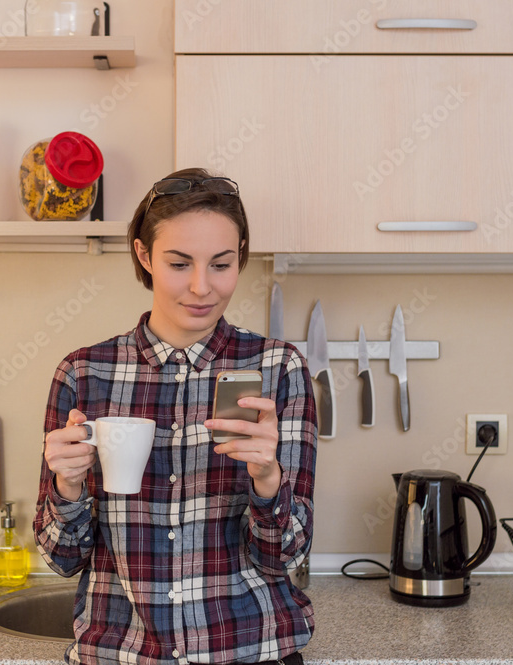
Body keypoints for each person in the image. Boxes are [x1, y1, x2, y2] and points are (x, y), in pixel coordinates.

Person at [34, 167, 317, 665]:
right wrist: (67, 489)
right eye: (180, 263)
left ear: (241, 258)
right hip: (121, 654)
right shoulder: (84, 374)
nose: (202, 287)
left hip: (250, 651)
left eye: (221, 264)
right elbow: (62, 558)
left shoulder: (278, 369)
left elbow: (284, 557)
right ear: (145, 256)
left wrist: (268, 480)